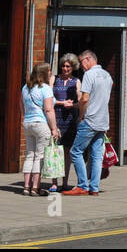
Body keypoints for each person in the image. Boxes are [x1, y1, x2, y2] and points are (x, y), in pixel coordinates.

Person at [67, 50, 113, 196]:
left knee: (75, 151)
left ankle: (82, 185)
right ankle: (94, 188)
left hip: (90, 120)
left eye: (81, 62)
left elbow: (85, 99)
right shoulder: (107, 75)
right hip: (103, 121)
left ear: (88, 59)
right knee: (96, 155)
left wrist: (81, 116)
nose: (81, 66)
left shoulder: (89, 75)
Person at [20, 62, 58, 196]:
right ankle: (35, 187)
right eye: (49, 71)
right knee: (39, 156)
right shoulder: (45, 88)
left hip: (28, 123)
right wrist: (54, 128)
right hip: (41, 124)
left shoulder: (26, 87)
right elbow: (49, 110)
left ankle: (26, 187)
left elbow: (22, 107)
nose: (51, 74)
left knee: (29, 155)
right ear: (44, 73)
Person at [49, 53, 81, 193]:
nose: (65, 68)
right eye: (63, 65)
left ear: (73, 67)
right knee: (55, 151)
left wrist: (74, 105)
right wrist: (62, 103)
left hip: (70, 120)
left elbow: (80, 100)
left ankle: (65, 182)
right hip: (56, 118)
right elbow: (48, 98)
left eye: (68, 66)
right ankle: (54, 183)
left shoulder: (76, 81)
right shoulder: (54, 79)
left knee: (67, 153)